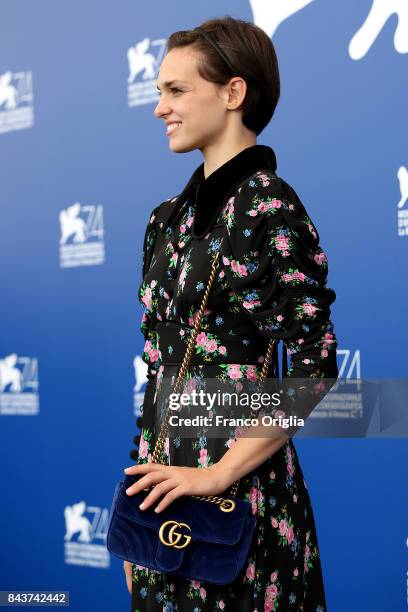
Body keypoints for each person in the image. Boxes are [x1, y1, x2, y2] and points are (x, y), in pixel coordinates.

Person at [124, 15, 338, 611]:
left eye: (176, 90)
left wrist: (217, 475)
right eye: (159, 91)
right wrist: (139, 521)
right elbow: (159, 376)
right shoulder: (164, 220)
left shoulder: (268, 206)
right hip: (164, 497)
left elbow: (315, 370)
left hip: (241, 498)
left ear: (233, 92)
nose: (159, 107)